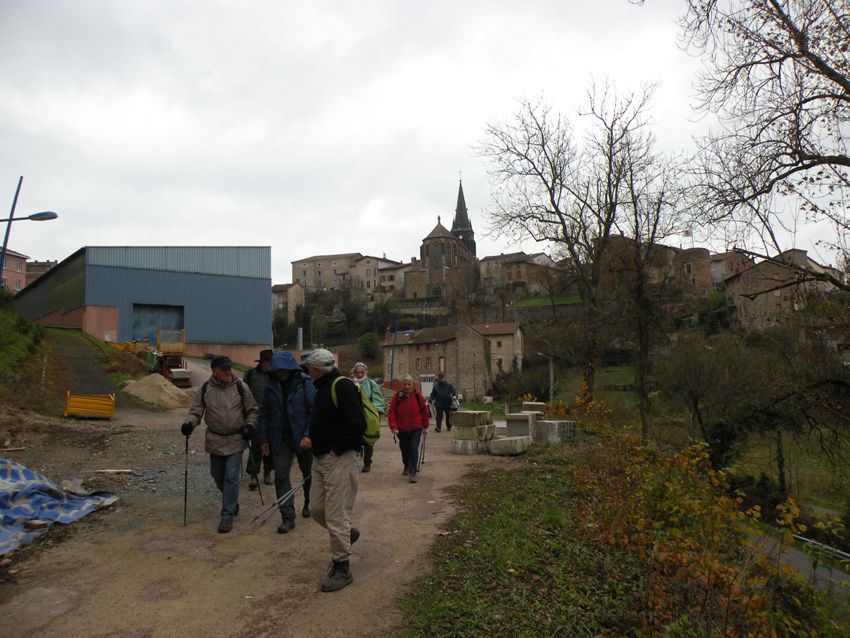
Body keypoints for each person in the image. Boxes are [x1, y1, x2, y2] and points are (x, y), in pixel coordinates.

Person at [303, 348, 366, 592]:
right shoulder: (322, 388)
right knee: (317, 509)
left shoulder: (342, 387)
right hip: (320, 458)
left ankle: (342, 567)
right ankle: (347, 535)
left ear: (317, 370)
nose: (308, 374)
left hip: (340, 459)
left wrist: (336, 450)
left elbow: (357, 424)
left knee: (336, 514)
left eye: (309, 370)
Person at [181, 356, 258, 533]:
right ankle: (232, 501)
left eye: (230, 369)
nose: (229, 372)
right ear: (215, 371)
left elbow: (253, 410)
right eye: (225, 370)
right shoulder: (206, 388)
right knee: (217, 475)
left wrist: (249, 425)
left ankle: (227, 515)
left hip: (236, 439)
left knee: (231, 476)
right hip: (215, 439)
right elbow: (196, 411)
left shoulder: (241, 387)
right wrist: (189, 423)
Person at [255, 351, 316, 533]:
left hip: (303, 437)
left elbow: (314, 411)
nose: (279, 372)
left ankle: (309, 502)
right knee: (281, 476)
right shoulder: (270, 386)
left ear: (291, 368)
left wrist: (308, 435)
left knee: (309, 475)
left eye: (283, 369)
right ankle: (287, 517)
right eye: (277, 369)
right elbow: (263, 414)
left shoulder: (305, 383)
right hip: (280, 438)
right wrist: (263, 439)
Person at [387, 374, 430, 483]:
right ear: (401, 385)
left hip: (416, 427)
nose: (407, 386)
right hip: (402, 429)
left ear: (412, 385)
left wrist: (425, 426)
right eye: (405, 384)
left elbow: (424, 411)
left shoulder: (417, 395)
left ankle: (413, 473)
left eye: (409, 384)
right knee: (404, 450)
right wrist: (393, 426)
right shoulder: (397, 396)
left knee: (413, 448)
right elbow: (391, 412)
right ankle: (406, 465)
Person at [244, 349, 275, 489]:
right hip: (255, 415)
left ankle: (268, 472)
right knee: (256, 445)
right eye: (266, 360)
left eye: (270, 360)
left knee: (271, 445)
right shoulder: (251, 374)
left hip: (273, 416)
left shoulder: (276, 375)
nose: (268, 363)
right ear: (261, 361)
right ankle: (253, 474)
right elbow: (244, 394)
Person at [350, 362, 385, 473]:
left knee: (368, 441)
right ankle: (354, 462)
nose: (359, 374)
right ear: (353, 373)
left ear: (365, 372)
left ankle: (367, 462)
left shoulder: (371, 384)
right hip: (354, 416)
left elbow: (378, 399)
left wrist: (375, 414)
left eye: (361, 372)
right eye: (357, 372)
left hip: (368, 416)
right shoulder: (349, 384)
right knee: (354, 440)